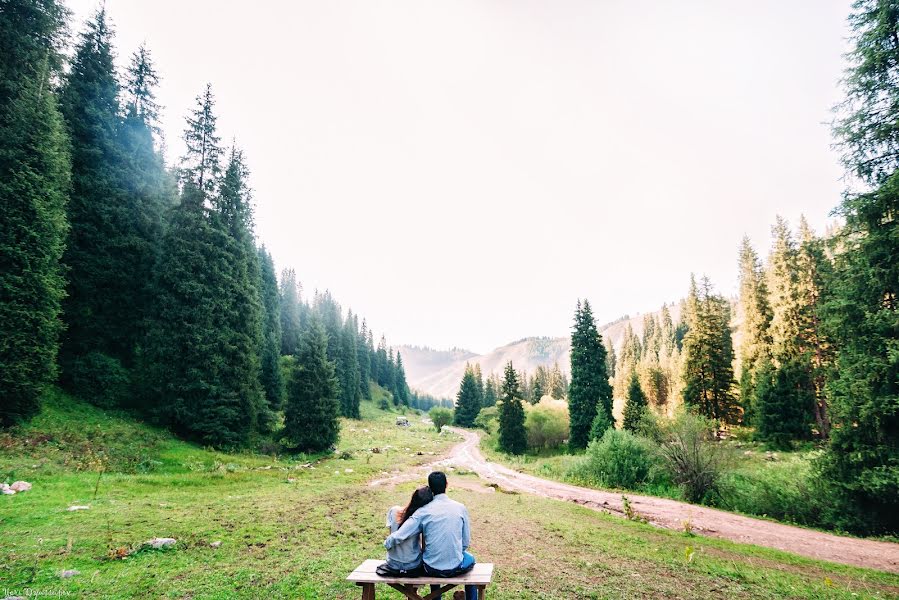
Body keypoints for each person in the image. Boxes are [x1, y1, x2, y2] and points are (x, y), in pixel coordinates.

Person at [384, 471, 477, 600]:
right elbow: (466, 541)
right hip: (455, 565)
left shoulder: (423, 511)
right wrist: (454, 554)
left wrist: (388, 543)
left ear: (430, 488)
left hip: (430, 567)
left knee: (433, 561)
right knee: (471, 561)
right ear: (447, 484)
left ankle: (436, 598)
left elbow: (401, 533)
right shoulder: (460, 508)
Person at [384, 486, 433, 574]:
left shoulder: (393, 510)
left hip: (392, 563)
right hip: (411, 565)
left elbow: (391, 533)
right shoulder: (420, 519)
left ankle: (410, 588)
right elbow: (424, 548)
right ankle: (412, 588)